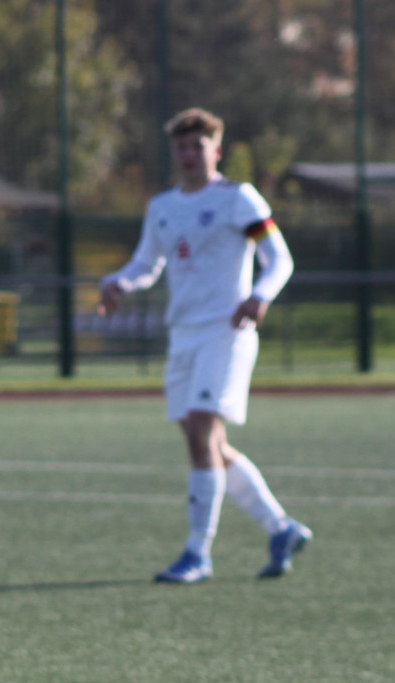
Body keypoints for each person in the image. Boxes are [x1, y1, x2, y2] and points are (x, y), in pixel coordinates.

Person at [98, 107, 309, 582]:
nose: (190, 154)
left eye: (199, 145)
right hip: (184, 335)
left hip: (226, 332)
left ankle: (198, 553)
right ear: (173, 153)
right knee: (210, 444)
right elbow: (145, 265)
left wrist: (260, 295)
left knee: (200, 433)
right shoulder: (162, 207)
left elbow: (280, 260)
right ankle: (280, 527)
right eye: (182, 146)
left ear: (216, 150)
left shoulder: (239, 199)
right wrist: (118, 282)